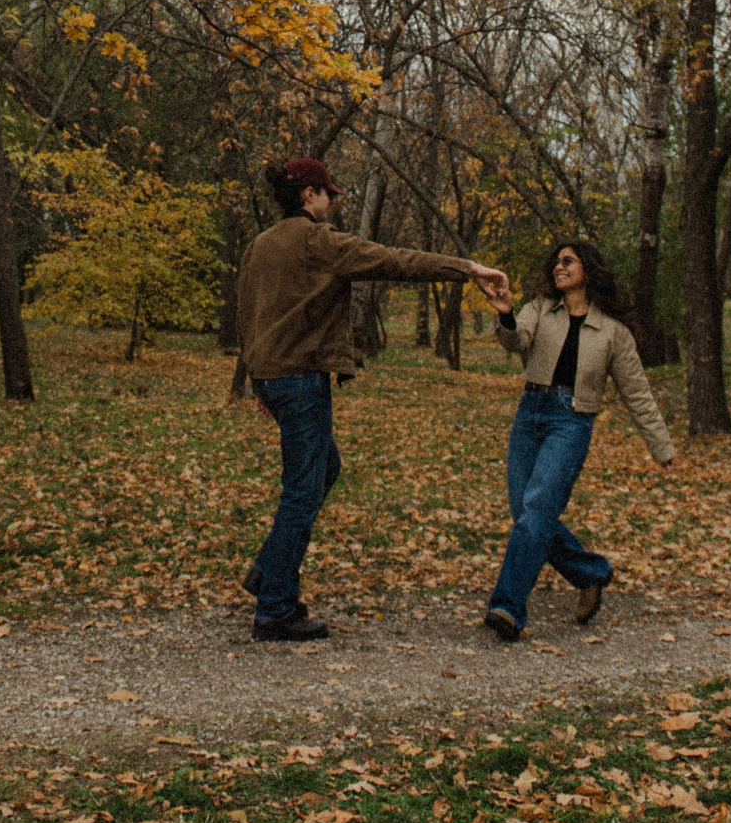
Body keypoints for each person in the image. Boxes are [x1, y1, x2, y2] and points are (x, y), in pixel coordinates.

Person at [235, 156, 512, 643]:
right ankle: (275, 609)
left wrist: (258, 379)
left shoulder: (259, 246)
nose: (330, 205)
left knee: (324, 469)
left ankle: (269, 569)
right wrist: (466, 269)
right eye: (328, 196)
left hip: (276, 380)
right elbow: (392, 260)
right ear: (308, 196)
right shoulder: (317, 240)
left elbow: (247, 314)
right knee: (302, 489)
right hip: (300, 381)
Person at [470, 240, 676, 641]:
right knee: (527, 513)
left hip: (571, 422)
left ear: (588, 270)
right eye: (556, 262)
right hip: (530, 414)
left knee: (536, 510)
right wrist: (507, 313)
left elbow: (637, 393)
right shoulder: (540, 309)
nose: (559, 268)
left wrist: (661, 446)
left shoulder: (613, 332)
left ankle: (507, 607)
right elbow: (517, 342)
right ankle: (590, 572)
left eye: (568, 261)